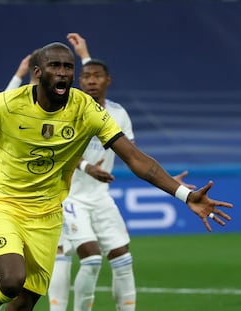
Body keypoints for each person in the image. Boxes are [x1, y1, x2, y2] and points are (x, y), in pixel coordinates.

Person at [0, 42, 232, 311]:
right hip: (3, 207)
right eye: (56, 66)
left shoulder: (85, 109)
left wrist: (183, 194)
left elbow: (136, 159)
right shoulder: (5, 105)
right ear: (38, 73)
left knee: (25, 301)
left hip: (47, 216)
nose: (64, 73)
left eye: (68, 67)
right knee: (10, 280)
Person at [48, 33, 196, 311]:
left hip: (100, 198)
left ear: (108, 81)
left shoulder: (118, 114)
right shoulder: (69, 109)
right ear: (80, 82)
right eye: (86, 76)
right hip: (69, 198)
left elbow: (133, 157)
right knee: (89, 259)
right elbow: (57, 148)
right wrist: (85, 166)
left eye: (97, 76)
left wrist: (166, 183)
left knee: (123, 259)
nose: (91, 80)